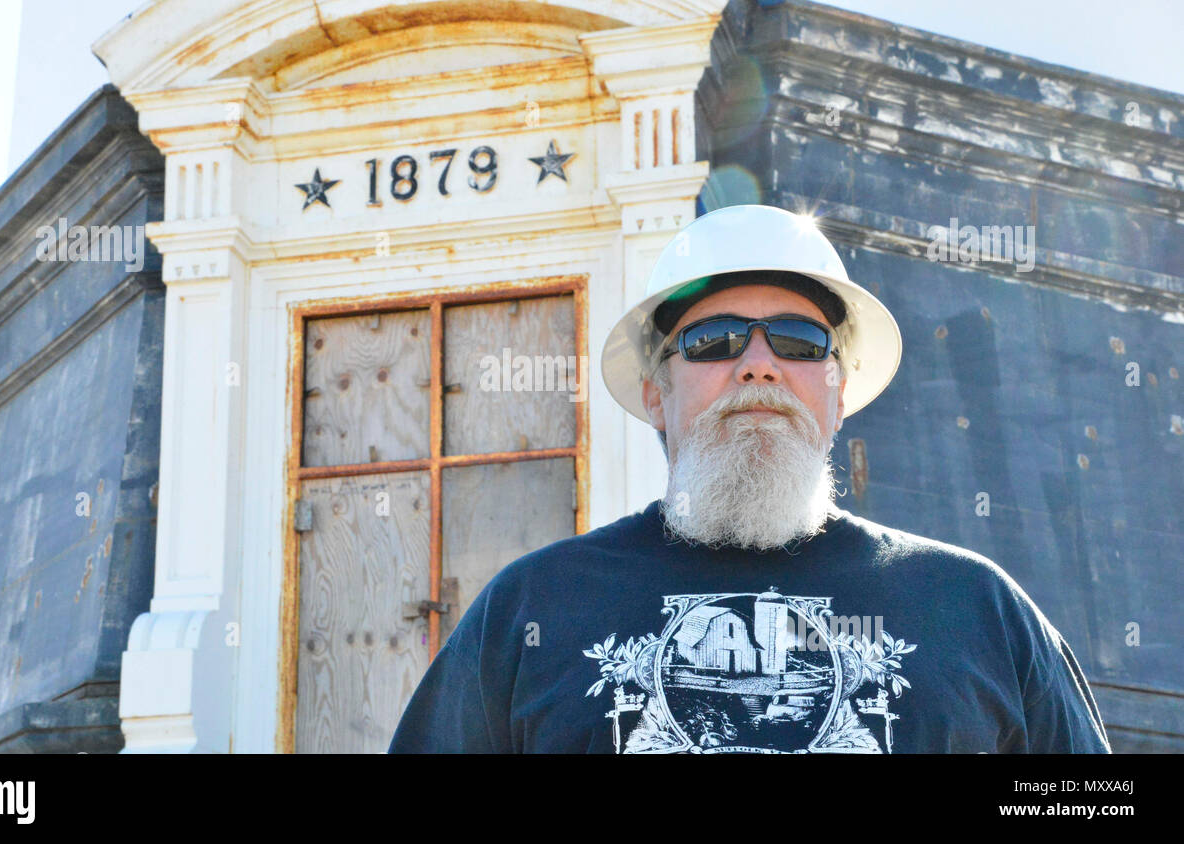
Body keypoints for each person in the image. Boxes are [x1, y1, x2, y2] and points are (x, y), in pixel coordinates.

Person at [388, 204, 1111, 754]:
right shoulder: (528, 609)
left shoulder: (979, 609)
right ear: (654, 393)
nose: (757, 364)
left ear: (837, 388)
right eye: (713, 340)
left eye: (799, 340)